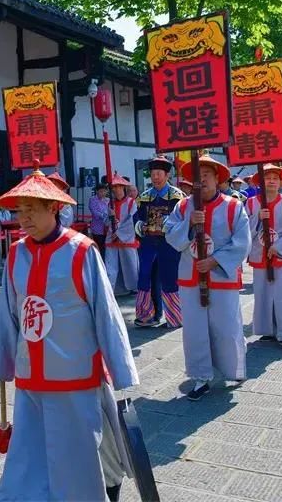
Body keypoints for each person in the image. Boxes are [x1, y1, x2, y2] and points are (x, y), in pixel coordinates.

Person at [0, 167, 138, 501]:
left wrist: (121, 370)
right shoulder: (16, 254)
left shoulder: (81, 251)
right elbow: (7, 314)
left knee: (78, 456)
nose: (23, 218)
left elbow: (106, 313)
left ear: (53, 208)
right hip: (31, 377)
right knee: (30, 456)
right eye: (19, 211)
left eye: (31, 210)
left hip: (75, 376)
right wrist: (2, 363)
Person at [164, 155, 250, 401]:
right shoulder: (183, 207)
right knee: (195, 330)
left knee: (226, 326)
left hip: (221, 276)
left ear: (217, 178)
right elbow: (170, 234)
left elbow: (242, 241)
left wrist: (215, 260)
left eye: (207, 175)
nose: (202, 180)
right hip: (190, 278)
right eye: (197, 176)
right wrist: (189, 223)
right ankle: (200, 376)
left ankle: (233, 368)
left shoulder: (233, 206)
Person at [245, 164, 282, 350]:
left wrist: (278, 247)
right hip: (260, 254)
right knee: (263, 293)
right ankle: (268, 329)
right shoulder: (251, 203)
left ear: (280, 182)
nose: (271, 181)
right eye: (267, 178)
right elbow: (242, 229)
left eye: (275, 178)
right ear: (260, 181)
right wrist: (256, 217)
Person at [133, 157, 185, 328]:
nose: (155, 177)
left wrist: (168, 227)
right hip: (148, 243)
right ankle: (148, 315)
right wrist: (141, 226)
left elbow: (183, 220)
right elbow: (137, 218)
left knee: (170, 277)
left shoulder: (177, 197)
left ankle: (175, 317)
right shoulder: (144, 197)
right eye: (153, 174)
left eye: (158, 174)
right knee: (146, 277)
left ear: (167, 175)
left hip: (168, 244)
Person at [104, 175, 139, 296]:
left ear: (123, 187)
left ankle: (134, 287)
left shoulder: (131, 202)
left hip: (126, 237)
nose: (116, 189)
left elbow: (132, 221)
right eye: (114, 187)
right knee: (111, 265)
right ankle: (111, 289)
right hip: (112, 237)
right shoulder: (110, 203)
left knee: (130, 263)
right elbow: (106, 221)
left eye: (119, 187)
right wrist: (111, 217)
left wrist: (119, 233)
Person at [89, 183, 110, 252]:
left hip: (107, 227)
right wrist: (104, 215)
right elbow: (94, 212)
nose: (103, 193)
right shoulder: (93, 199)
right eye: (101, 191)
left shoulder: (108, 200)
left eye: (104, 191)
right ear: (97, 191)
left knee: (107, 247)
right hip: (97, 227)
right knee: (99, 247)